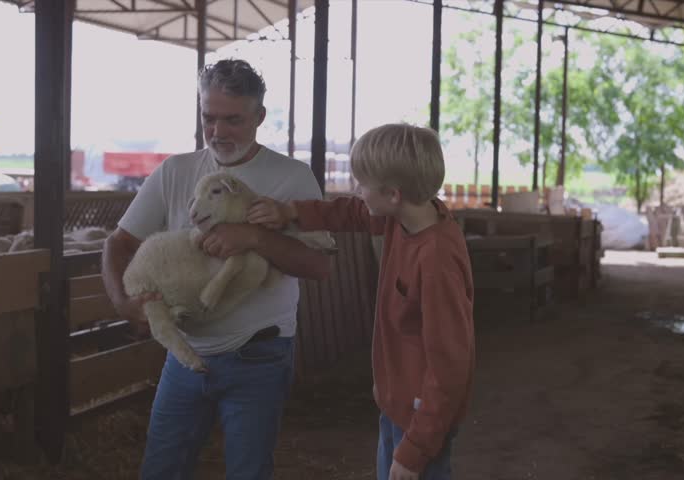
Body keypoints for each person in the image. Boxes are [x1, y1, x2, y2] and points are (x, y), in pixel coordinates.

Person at [101, 58, 331, 480]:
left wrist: (257, 238)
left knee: (248, 471)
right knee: (161, 469)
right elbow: (119, 243)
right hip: (184, 353)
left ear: (259, 116)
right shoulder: (176, 172)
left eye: (233, 120)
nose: (218, 132)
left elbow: (318, 265)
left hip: (258, 353)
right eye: (209, 118)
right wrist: (121, 301)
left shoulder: (291, 177)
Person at [248, 123, 475, 480]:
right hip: (398, 403)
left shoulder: (435, 261)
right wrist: (290, 212)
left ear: (393, 195)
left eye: (362, 184)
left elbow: (451, 366)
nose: (357, 190)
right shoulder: (405, 218)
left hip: (422, 418)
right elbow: (351, 213)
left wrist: (415, 450)